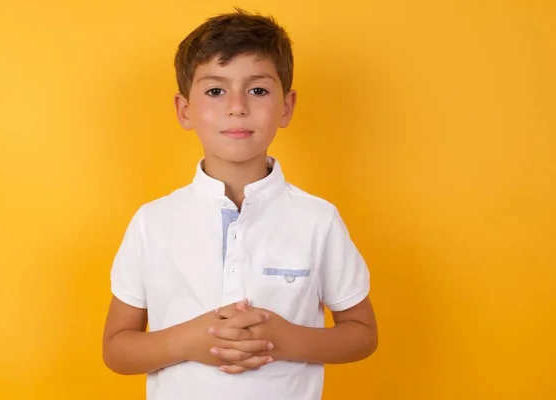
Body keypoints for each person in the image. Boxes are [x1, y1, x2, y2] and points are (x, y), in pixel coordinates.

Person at [102, 7, 378, 400]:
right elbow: (117, 349)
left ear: (286, 106)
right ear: (185, 110)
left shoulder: (318, 219)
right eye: (215, 90)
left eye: (258, 90)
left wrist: (283, 340)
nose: (237, 106)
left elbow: (363, 335)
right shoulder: (153, 222)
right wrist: (191, 340)